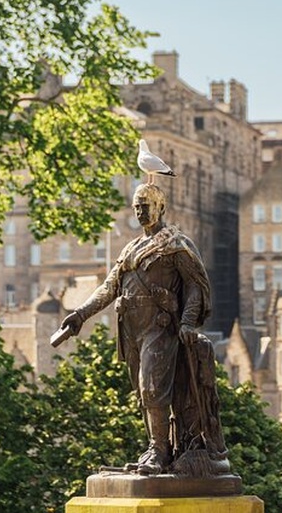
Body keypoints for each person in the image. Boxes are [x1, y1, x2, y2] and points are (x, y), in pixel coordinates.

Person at [59, 183, 228, 476]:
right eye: (137, 206)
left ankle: (159, 453)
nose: (140, 212)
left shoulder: (176, 244)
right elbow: (109, 287)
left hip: (160, 329)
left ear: (160, 208)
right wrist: (80, 315)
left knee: (152, 389)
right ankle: (155, 447)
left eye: (146, 206)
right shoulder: (130, 249)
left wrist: (188, 321)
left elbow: (195, 287)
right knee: (143, 393)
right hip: (132, 331)